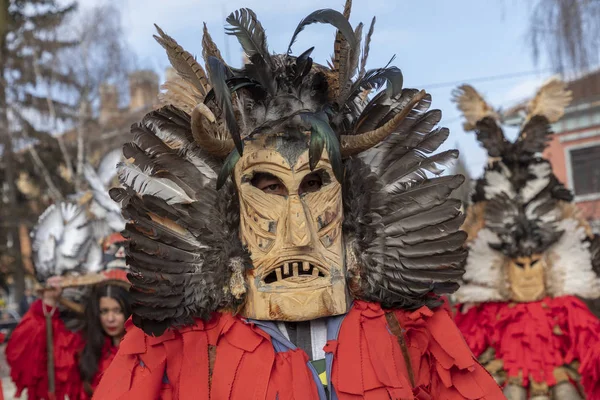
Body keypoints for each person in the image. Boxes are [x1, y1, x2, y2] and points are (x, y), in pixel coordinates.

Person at [93, 2, 504, 399]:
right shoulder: (180, 343)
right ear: (231, 206)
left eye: (314, 185)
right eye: (268, 187)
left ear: (347, 194)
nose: (300, 229)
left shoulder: (407, 331)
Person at [451, 79, 600, 399]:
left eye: (533, 263)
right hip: (505, 342)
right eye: (519, 263)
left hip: (556, 335)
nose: (527, 272)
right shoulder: (485, 312)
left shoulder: (571, 308)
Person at [5, 203, 131, 400]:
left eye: (117, 310)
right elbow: (29, 352)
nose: (111, 318)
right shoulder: (85, 349)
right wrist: (47, 304)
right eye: (104, 311)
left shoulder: (143, 348)